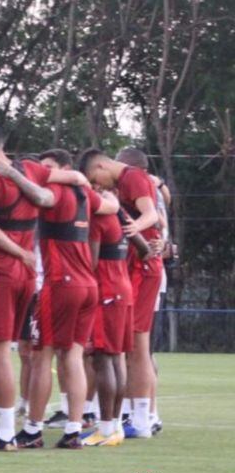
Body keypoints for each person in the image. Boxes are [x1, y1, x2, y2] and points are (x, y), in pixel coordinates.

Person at [0, 123, 89, 452]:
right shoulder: (34, 170)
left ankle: (7, 432)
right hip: (28, 272)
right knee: (0, 351)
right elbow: (74, 179)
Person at [0, 149, 119, 449]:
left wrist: (11, 173)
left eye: (49, 168)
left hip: (61, 284)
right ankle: (73, 430)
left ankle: (32, 430)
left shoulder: (56, 191)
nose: (43, 172)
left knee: (43, 356)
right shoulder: (85, 195)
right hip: (88, 285)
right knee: (73, 356)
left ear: (63, 169)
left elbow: (41, 198)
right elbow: (111, 206)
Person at [79, 148, 163, 439]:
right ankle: (137, 416)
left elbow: (152, 215)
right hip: (137, 265)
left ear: (103, 165)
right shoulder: (123, 185)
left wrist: (133, 230)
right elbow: (159, 222)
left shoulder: (133, 176)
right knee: (128, 348)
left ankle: (141, 419)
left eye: (95, 178)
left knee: (137, 346)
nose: (97, 185)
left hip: (142, 269)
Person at [82, 201, 149, 446]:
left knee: (102, 359)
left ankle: (106, 428)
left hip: (106, 292)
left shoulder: (98, 220)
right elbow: (144, 249)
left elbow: (90, 263)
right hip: (123, 289)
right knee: (116, 357)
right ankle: (116, 426)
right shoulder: (122, 216)